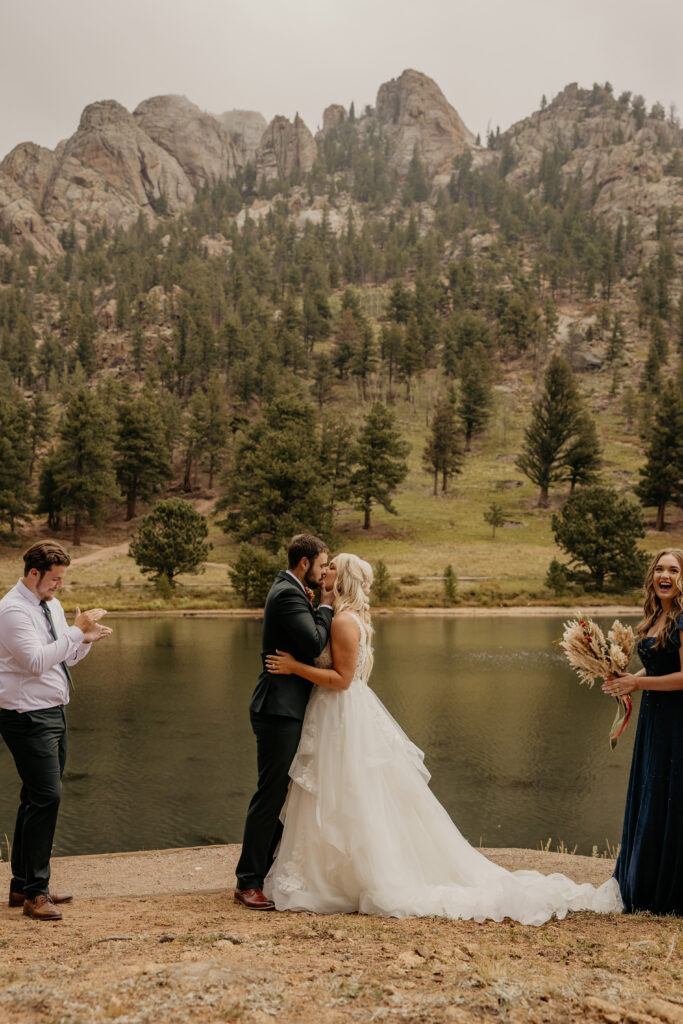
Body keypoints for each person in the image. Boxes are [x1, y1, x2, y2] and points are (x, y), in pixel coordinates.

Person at [263, 553, 623, 925]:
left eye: (333, 566)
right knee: (344, 792)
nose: (326, 570)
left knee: (346, 792)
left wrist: (295, 668)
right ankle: (333, 872)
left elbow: (340, 680)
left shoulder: (342, 622)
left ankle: (344, 878)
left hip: (339, 712)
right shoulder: (343, 616)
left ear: (343, 578)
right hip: (338, 713)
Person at [0, 540, 112, 921]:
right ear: (34, 573)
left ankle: (21, 885)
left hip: (53, 713)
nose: (59, 586)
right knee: (48, 795)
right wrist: (73, 633)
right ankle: (37, 892)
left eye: (62, 579)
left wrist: (85, 639)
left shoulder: (50, 605)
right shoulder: (12, 610)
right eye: (54, 579)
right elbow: (34, 662)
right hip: (26, 715)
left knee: (35, 796)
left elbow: (62, 657)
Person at [234, 534, 333, 910]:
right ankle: (248, 881)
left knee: (285, 794)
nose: (324, 574)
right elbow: (311, 645)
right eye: (322, 565)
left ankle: (266, 870)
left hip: (288, 706)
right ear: (305, 563)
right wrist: (325, 606)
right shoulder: (289, 594)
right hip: (277, 708)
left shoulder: (290, 589)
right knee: (271, 794)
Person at [602, 548, 683, 916]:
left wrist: (639, 685)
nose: (665, 575)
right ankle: (643, 883)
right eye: (660, 569)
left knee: (670, 793)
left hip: (677, 722)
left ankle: (667, 888)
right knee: (652, 791)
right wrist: (627, 680)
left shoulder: (682, 620)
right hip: (655, 719)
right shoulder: (655, 618)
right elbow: (654, 671)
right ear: (653, 576)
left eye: (674, 570)